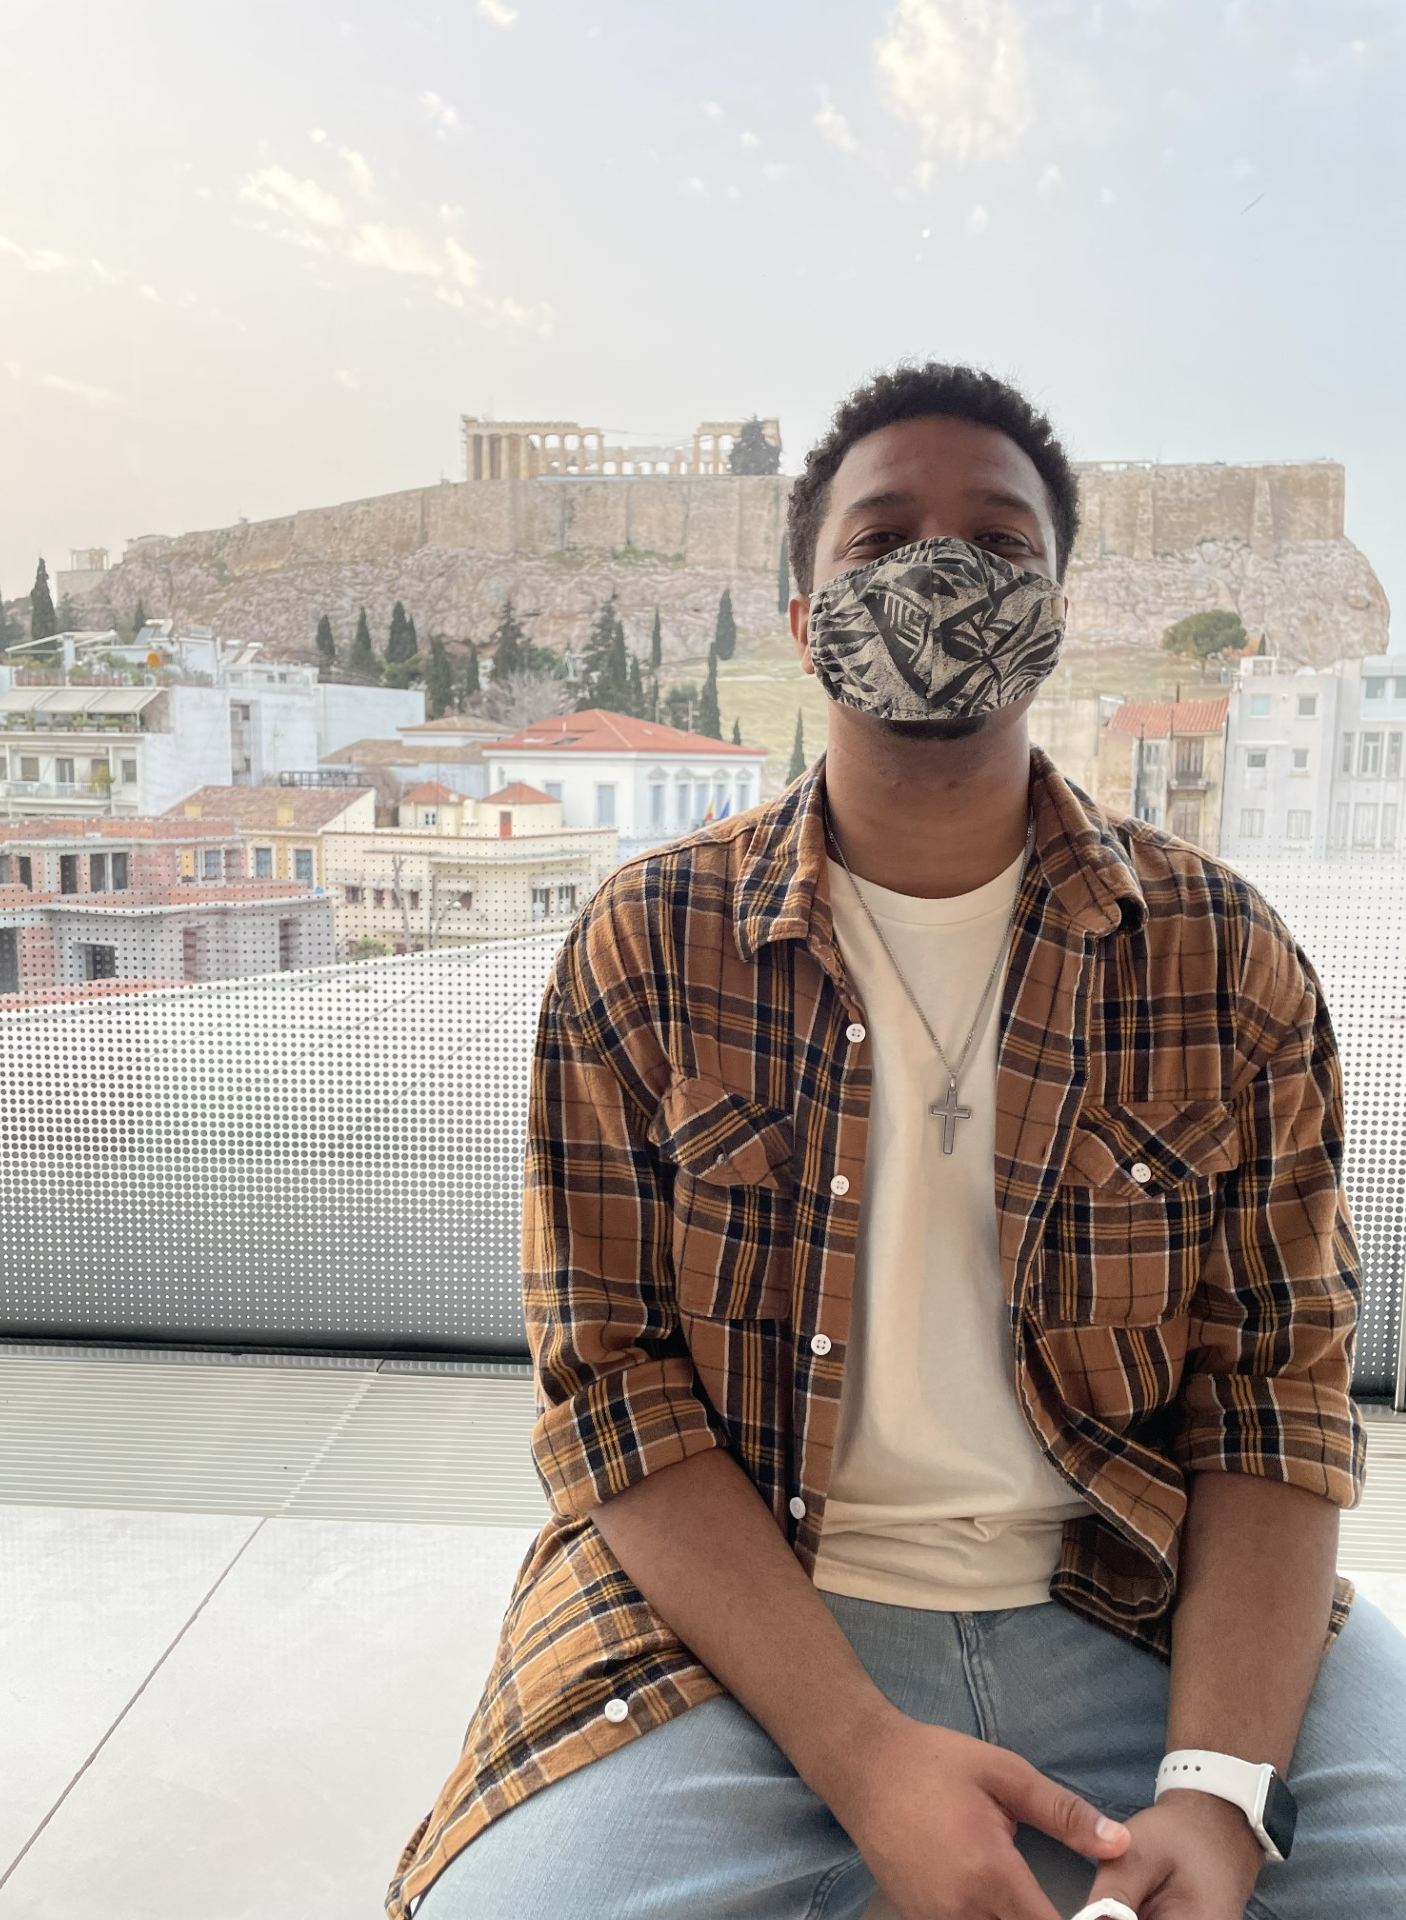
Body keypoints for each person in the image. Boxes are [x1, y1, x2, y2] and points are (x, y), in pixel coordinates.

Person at [391, 363, 1406, 1920]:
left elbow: (1278, 1395)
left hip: (1145, 1600)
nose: (943, 573)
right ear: (802, 621)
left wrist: (1215, 1787)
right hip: (743, 1634)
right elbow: (610, 1391)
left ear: (1057, 612)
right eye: (880, 543)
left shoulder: (1223, 953)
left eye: (1000, 543)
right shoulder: (649, 946)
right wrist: (866, 1759)